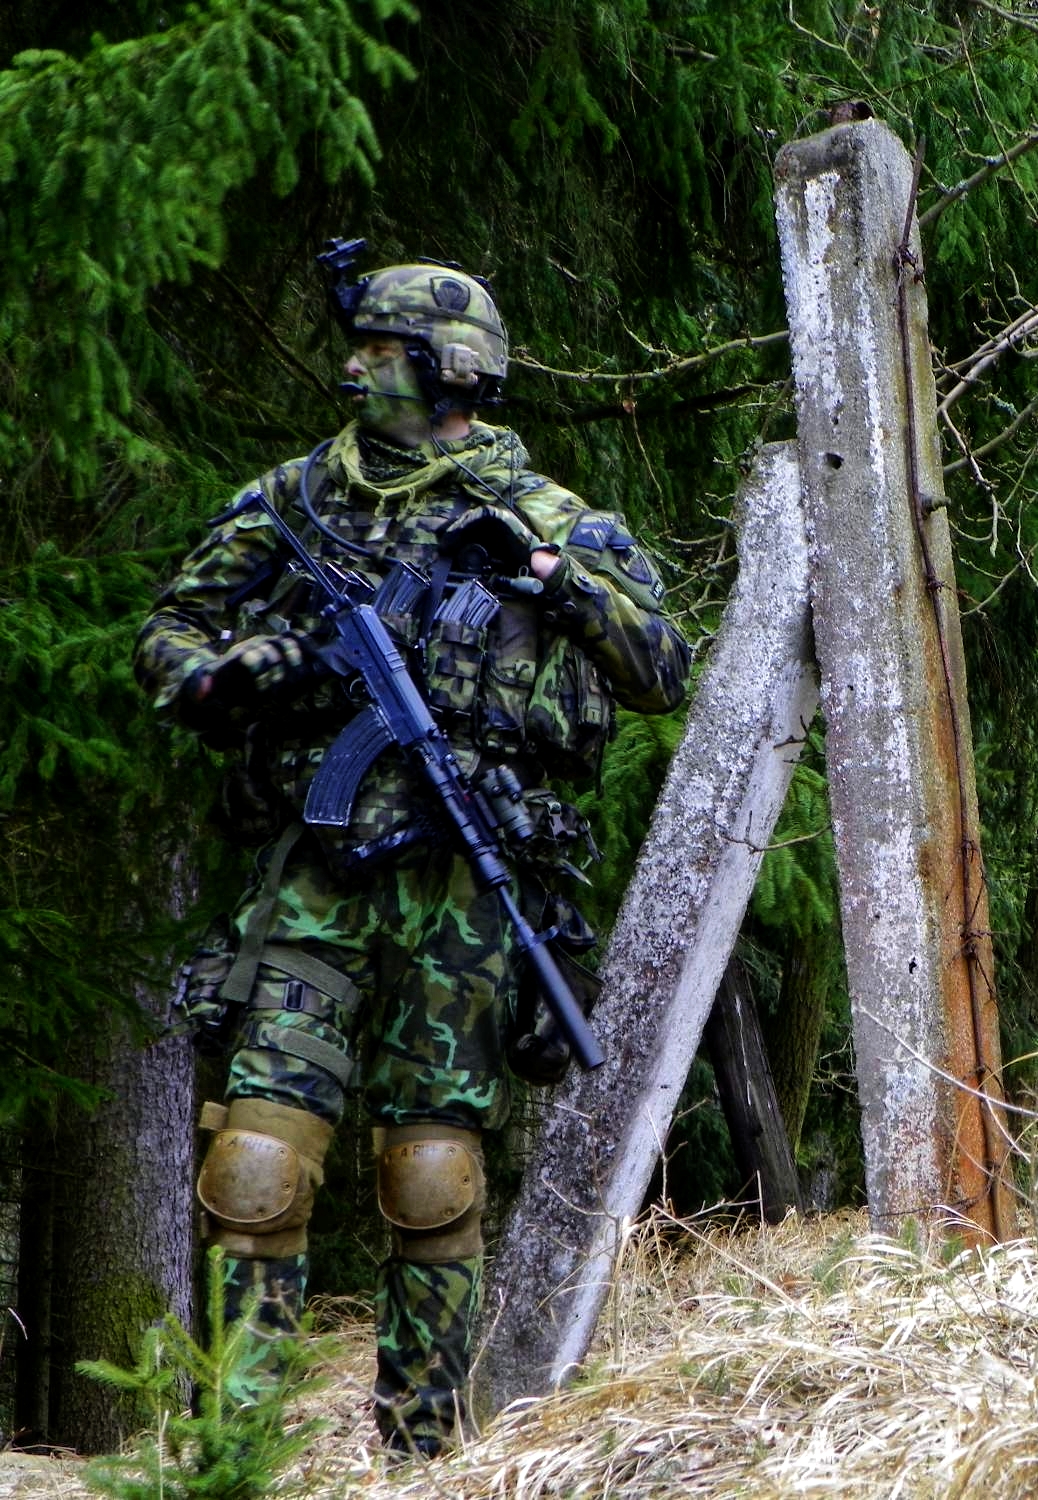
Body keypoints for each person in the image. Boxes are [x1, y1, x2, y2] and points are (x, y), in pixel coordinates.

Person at [134, 252, 690, 1457]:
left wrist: (551, 578)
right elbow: (169, 634)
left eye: (379, 352)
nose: (354, 368)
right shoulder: (290, 502)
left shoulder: (544, 515)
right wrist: (238, 672)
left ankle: (423, 1454)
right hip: (314, 877)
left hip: (462, 895)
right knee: (256, 1163)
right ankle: (238, 1453)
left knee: (433, 1176)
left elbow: (659, 668)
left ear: (449, 368)